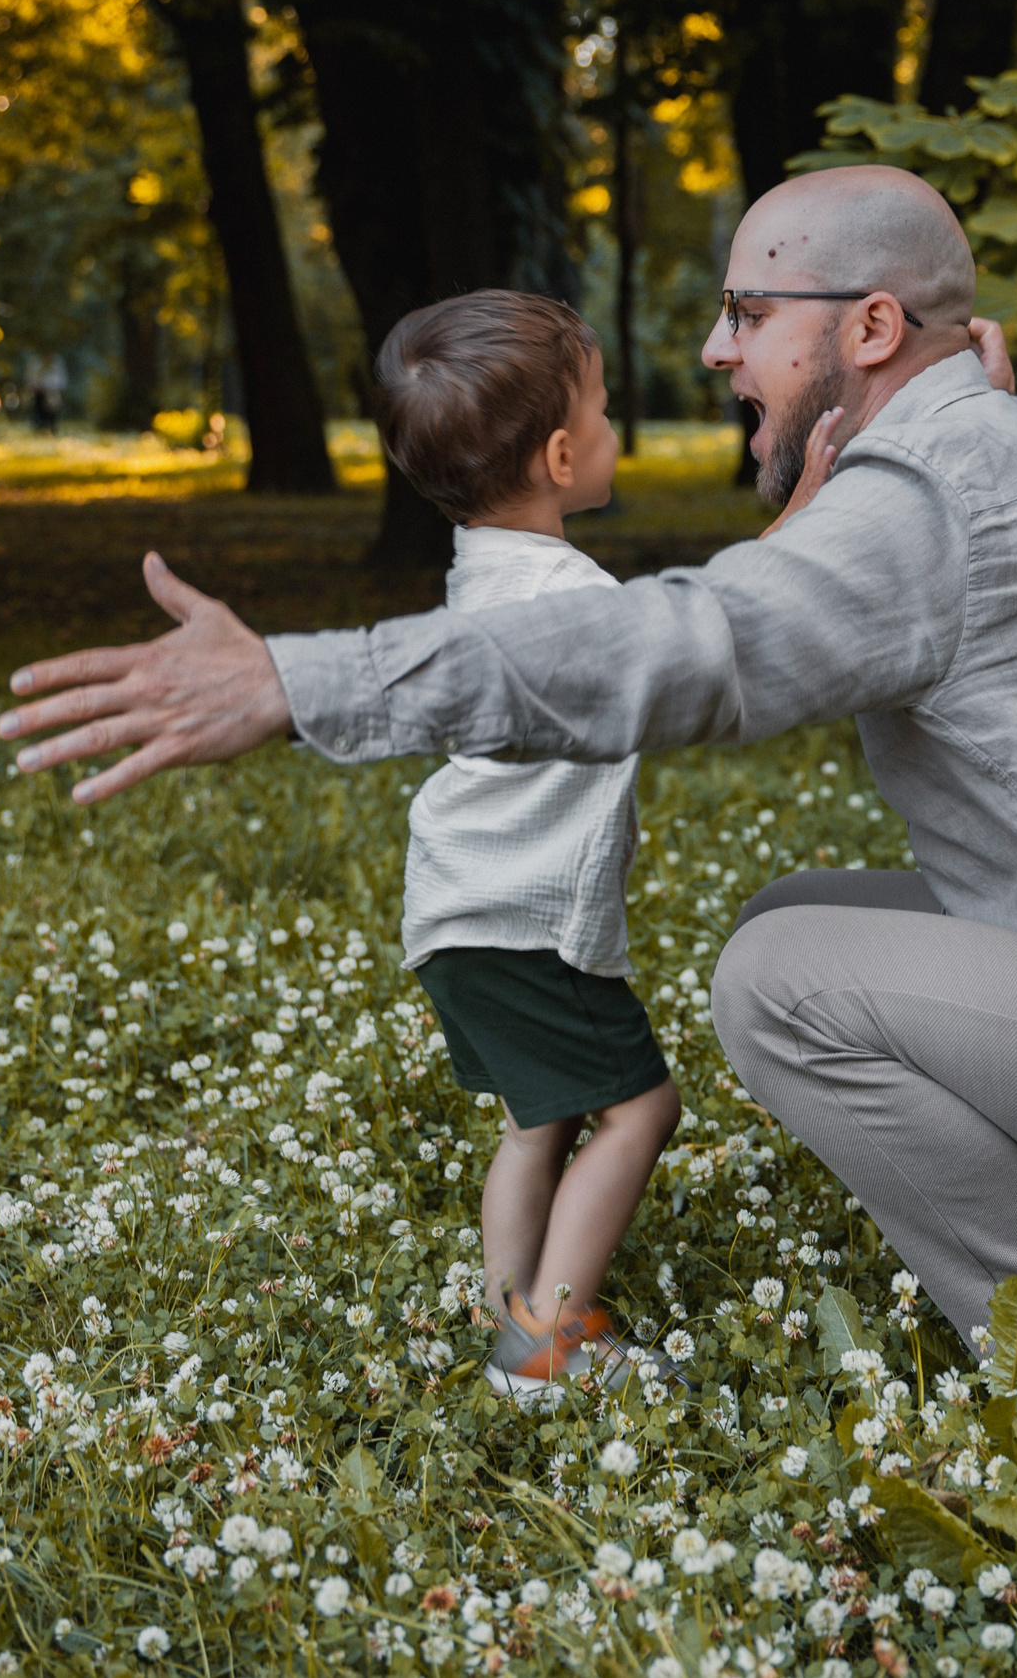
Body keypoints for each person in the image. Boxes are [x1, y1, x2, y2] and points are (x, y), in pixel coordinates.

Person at [0, 165, 1017, 1458]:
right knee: (795, 917)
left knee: (777, 984)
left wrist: (301, 681)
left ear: (872, 328)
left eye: (750, 314)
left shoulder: (941, 493)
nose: (715, 347)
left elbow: (682, 646)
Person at [369, 290, 708, 1394]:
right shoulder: (570, 595)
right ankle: (549, 1342)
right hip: (525, 925)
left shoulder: (482, 563)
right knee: (641, 1106)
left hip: (456, 912)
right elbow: (704, 639)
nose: (615, 429)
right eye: (607, 413)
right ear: (564, 455)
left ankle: (508, 1307)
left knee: (539, 1119)